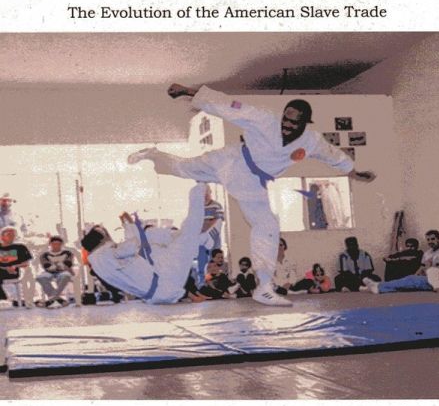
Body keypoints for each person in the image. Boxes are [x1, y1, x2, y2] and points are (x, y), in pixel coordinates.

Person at [128, 84, 376, 306]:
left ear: (305, 123)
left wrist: (354, 173)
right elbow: (227, 106)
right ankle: (152, 154)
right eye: (286, 119)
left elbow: (333, 155)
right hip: (232, 161)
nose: (287, 125)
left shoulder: (312, 141)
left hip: (253, 182)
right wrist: (188, 91)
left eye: (294, 122)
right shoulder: (264, 119)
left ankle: (264, 286)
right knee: (184, 168)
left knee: (267, 224)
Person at [81, 184, 206, 304]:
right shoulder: (106, 253)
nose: (108, 235)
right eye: (105, 233)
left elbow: (128, 252)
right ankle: (199, 188)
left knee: (164, 250)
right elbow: (133, 245)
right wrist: (132, 226)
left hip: (155, 295)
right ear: (100, 239)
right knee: (188, 234)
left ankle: (199, 190)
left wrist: (128, 225)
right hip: (163, 284)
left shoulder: (98, 264)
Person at [364, 230, 439, 294]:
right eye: (428, 240)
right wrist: (415, 275)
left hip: (438, 280)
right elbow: (422, 267)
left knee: (411, 281)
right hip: (429, 278)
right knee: (409, 280)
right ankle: (378, 287)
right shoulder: (427, 253)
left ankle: (378, 286)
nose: (430, 241)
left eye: (433, 239)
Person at [35, 236, 76, 308]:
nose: (56, 246)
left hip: (63, 271)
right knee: (40, 277)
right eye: (54, 244)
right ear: (50, 244)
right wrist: (58, 266)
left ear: (61, 244)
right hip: (49, 271)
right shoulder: (44, 255)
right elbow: (46, 265)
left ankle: (51, 299)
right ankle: (59, 300)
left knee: (66, 276)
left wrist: (57, 266)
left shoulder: (68, 253)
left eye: (58, 244)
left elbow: (68, 264)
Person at [195, 185, 224, 285]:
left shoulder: (217, 205)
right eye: (203, 194)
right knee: (201, 261)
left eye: (207, 193)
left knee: (215, 261)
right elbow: (194, 222)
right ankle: (202, 283)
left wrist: (205, 226)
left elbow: (218, 220)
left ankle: (216, 283)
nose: (205, 196)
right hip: (200, 239)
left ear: (210, 193)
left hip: (213, 238)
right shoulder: (197, 207)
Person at [0, 226, 33, 308]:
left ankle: (4, 297)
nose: (12, 237)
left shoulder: (20, 247)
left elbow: (26, 263)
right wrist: (5, 268)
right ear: (2, 236)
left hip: (14, 272)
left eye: (13, 235)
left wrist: (15, 266)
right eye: (9, 234)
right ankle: (5, 297)